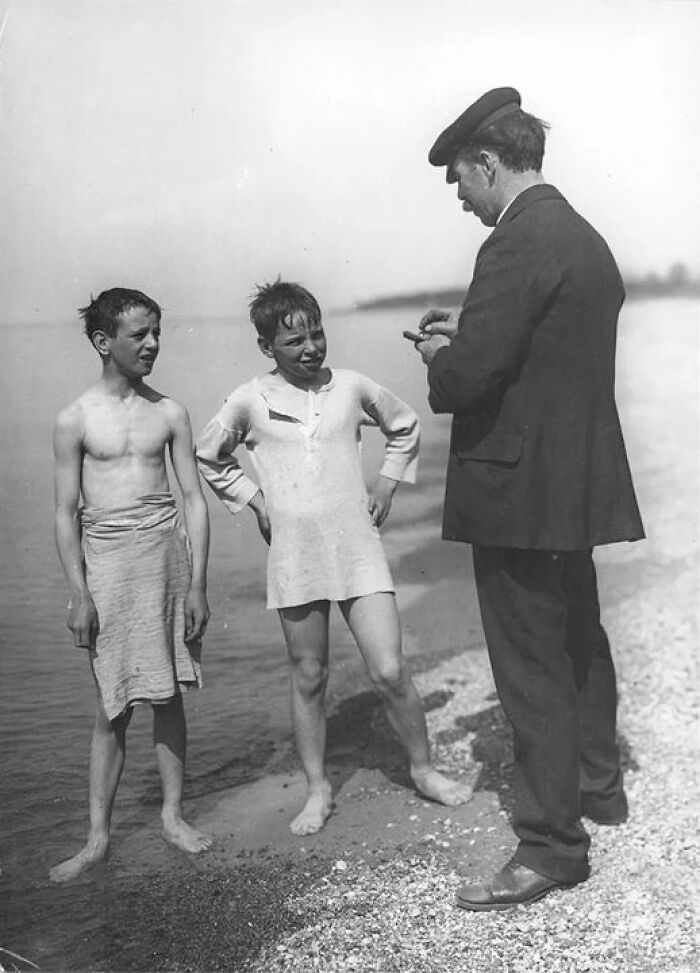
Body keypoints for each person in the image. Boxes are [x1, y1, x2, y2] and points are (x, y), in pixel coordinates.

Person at [411, 87, 644, 910]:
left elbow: (468, 381)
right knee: (578, 637)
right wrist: (469, 336)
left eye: (460, 182)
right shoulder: (583, 236)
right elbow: (545, 354)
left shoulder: (513, 241)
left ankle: (550, 845)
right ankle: (599, 789)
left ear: (486, 162)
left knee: (529, 662)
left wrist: (441, 358)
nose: (462, 199)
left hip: (516, 490)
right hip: (573, 483)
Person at [196, 279, 472, 835]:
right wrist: (256, 502)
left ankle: (423, 771)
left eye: (317, 334)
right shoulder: (249, 399)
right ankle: (318, 790)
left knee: (389, 669)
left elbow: (404, 426)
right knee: (309, 674)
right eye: (294, 341)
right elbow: (209, 454)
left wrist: (388, 484)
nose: (311, 348)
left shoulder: (350, 386)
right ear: (266, 346)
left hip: (357, 546)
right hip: (295, 553)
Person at [50, 287, 211, 883]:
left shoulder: (169, 412)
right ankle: (97, 838)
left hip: (166, 559)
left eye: (156, 332)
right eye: (139, 334)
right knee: (111, 706)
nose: (152, 344)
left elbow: (194, 499)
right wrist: (79, 593)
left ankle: (172, 816)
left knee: (168, 696)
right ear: (103, 341)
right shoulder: (75, 418)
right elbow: (64, 512)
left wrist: (198, 585)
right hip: (108, 567)